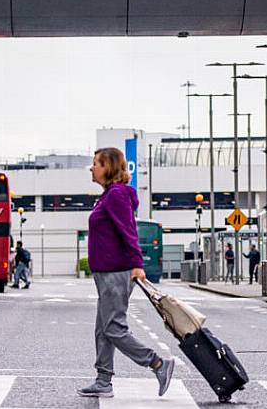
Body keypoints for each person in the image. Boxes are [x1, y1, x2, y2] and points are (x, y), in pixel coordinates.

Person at [77, 147, 175, 398]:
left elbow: (128, 231)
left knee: (113, 328)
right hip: (107, 272)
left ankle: (157, 364)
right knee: (103, 328)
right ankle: (103, 380)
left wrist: (137, 264)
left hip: (116, 272)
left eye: (96, 163)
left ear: (108, 167)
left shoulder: (116, 195)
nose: (92, 168)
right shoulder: (109, 195)